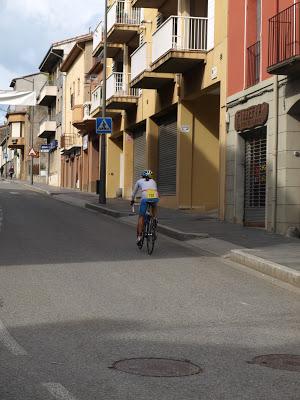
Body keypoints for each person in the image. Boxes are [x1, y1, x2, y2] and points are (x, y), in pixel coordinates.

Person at [131, 170, 159, 245]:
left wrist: (132, 200)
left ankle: (139, 237)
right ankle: (155, 219)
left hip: (145, 198)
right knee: (154, 204)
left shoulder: (139, 181)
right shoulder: (153, 181)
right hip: (155, 197)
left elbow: (133, 193)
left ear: (142, 176)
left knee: (141, 217)